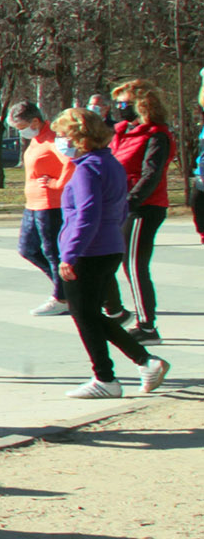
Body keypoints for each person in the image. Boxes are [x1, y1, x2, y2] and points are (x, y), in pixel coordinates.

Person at [52, 107, 171, 398]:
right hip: (108, 247)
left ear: (78, 137)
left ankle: (106, 378)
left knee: (84, 315)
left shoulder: (87, 169)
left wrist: (70, 253)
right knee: (90, 314)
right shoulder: (110, 163)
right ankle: (145, 362)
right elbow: (117, 209)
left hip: (88, 251)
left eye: (62, 135)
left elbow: (86, 214)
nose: (59, 141)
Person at [108, 80, 175, 344]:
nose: (119, 108)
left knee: (135, 266)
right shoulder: (123, 132)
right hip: (120, 205)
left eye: (123, 103)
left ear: (141, 105)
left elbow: (152, 174)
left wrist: (130, 201)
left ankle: (147, 327)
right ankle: (117, 311)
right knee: (117, 261)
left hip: (143, 208)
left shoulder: (156, 135)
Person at [8, 101, 72, 316]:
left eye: (22, 127)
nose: (22, 132)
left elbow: (71, 162)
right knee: (28, 249)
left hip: (50, 205)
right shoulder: (36, 140)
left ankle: (62, 297)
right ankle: (68, 289)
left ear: (35, 121)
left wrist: (57, 184)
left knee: (52, 252)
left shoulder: (54, 138)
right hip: (33, 204)